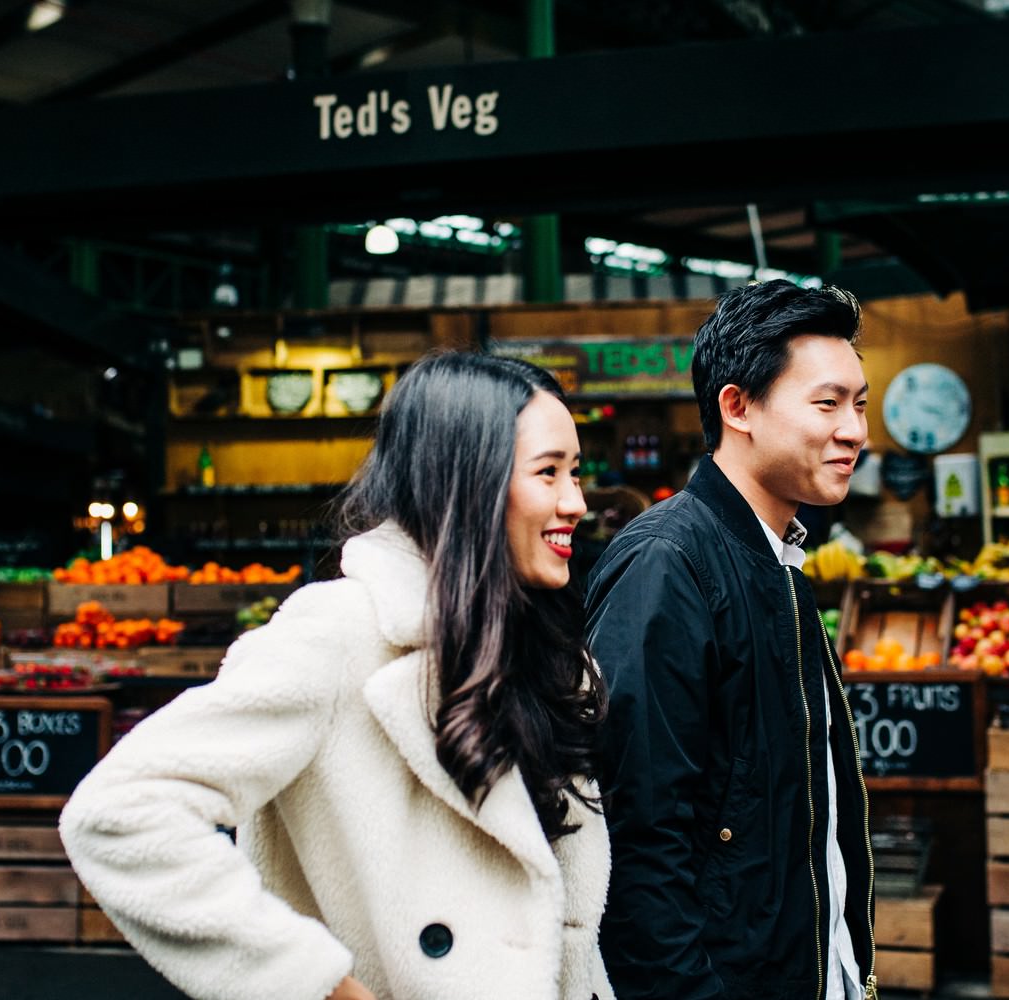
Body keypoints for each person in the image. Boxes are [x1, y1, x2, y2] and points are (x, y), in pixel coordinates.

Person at [60, 352, 613, 1000]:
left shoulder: (550, 654)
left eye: (575, 473)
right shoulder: (337, 635)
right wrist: (317, 983)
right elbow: (119, 811)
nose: (575, 502)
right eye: (548, 473)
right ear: (469, 480)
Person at [585, 280, 877, 1000]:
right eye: (827, 403)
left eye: (860, 404)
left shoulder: (779, 561)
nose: (855, 431)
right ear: (737, 407)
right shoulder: (668, 565)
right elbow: (637, 844)